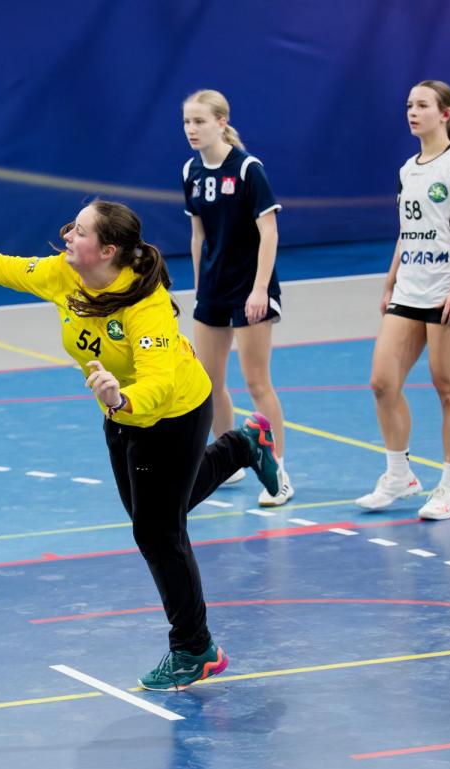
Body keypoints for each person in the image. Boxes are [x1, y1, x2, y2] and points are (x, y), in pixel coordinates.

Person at [0, 199, 281, 690]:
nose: (68, 235)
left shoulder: (146, 305)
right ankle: (243, 445)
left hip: (173, 413)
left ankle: (195, 648)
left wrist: (121, 398)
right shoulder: (62, 275)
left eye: (80, 231)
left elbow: (159, 382)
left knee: (157, 532)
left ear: (107, 250)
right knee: (155, 515)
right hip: (119, 412)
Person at [355, 79, 450, 519]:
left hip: (449, 290)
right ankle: (399, 476)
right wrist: (391, 280)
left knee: (448, 386)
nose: (412, 112)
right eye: (409, 105)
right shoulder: (407, 169)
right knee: (382, 382)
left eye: (423, 106)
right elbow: (407, 230)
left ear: (445, 114)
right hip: (410, 289)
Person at [182, 89, 294, 506]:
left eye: (199, 121)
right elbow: (198, 235)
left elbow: (270, 232)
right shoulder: (191, 171)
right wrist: (200, 287)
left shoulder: (248, 169)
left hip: (250, 288)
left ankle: (278, 470)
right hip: (213, 289)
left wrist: (260, 289)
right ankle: (228, 462)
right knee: (208, 382)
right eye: (187, 122)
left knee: (256, 381)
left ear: (221, 122)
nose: (192, 129)